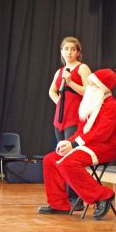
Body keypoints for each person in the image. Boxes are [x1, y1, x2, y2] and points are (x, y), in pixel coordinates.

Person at [38, 69, 116, 220]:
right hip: (88, 144)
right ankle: (59, 204)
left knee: (68, 163)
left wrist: (75, 144)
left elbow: (101, 134)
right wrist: (69, 142)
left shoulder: (112, 107)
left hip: (105, 147)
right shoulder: (92, 104)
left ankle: (103, 196)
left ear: (102, 87)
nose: (88, 87)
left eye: (92, 84)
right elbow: (81, 131)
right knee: (50, 160)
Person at [48, 36, 91, 208]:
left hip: (75, 116)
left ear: (78, 52)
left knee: (71, 156)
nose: (69, 52)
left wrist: (71, 82)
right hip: (60, 117)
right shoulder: (59, 71)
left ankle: (76, 197)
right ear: (61, 52)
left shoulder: (82, 68)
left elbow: (89, 92)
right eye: (66, 49)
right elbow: (51, 91)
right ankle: (62, 197)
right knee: (59, 155)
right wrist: (59, 102)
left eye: (73, 49)